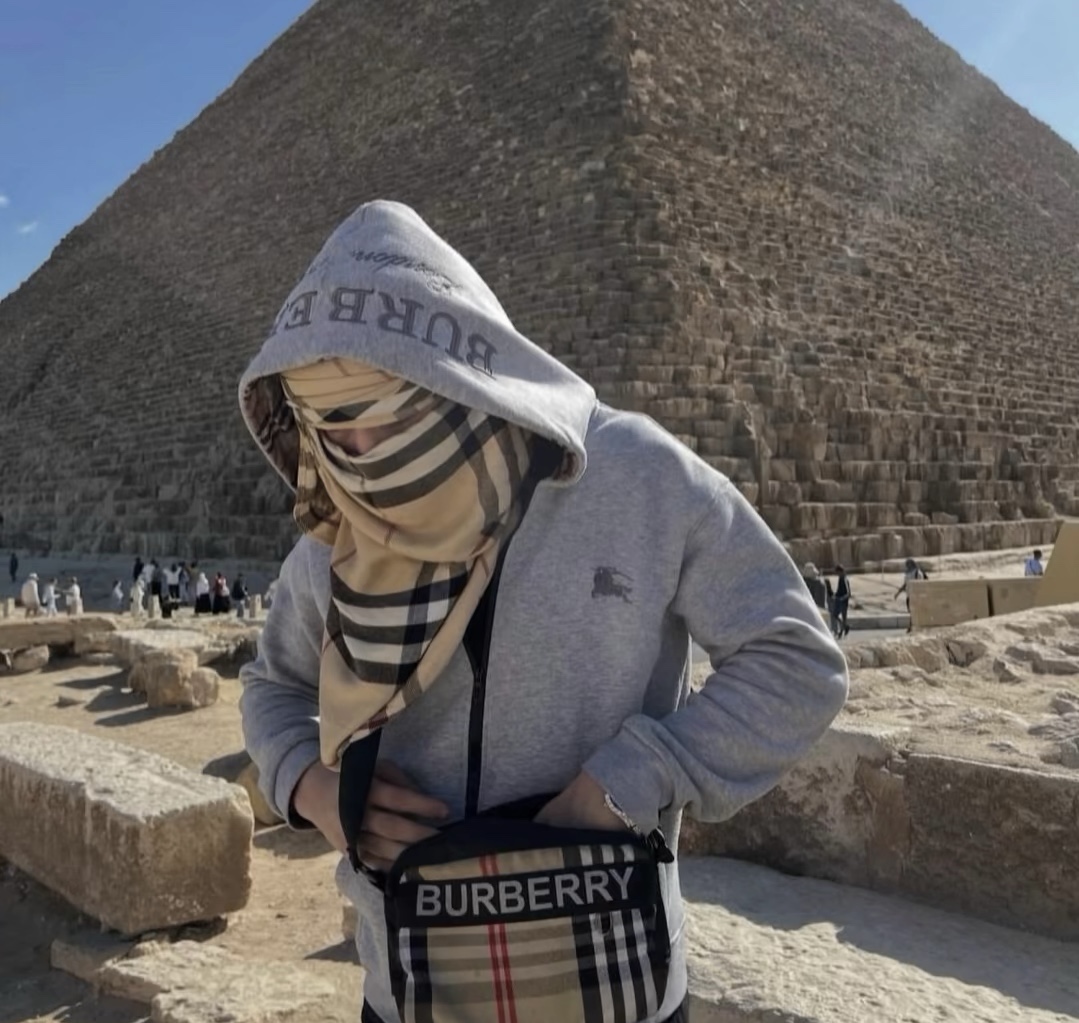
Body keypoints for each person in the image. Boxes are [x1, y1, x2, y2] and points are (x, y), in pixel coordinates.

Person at [238, 201, 847, 1023]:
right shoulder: (338, 530)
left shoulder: (635, 477)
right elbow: (272, 685)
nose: (359, 459)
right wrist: (315, 790)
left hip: (613, 972)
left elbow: (796, 660)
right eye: (329, 429)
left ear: (448, 376)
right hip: (416, 982)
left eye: (381, 416)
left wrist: (629, 781)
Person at [894, 557, 927, 632]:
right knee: (911, 612)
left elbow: (921, 584)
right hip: (909, 596)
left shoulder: (918, 572)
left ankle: (912, 627)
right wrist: (898, 593)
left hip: (917, 596)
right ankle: (912, 626)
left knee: (916, 612)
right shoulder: (907, 574)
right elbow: (905, 584)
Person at [831, 565, 851, 638]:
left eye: (838, 572)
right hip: (839, 600)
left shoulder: (845, 579)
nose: (837, 574)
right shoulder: (840, 579)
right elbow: (839, 590)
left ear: (840, 571)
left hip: (843, 601)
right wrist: (835, 595)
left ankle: (842, 631)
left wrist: (842, 598)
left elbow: (848, 593)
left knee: (843, 617)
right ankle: (845, 627)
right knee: (835, 615)